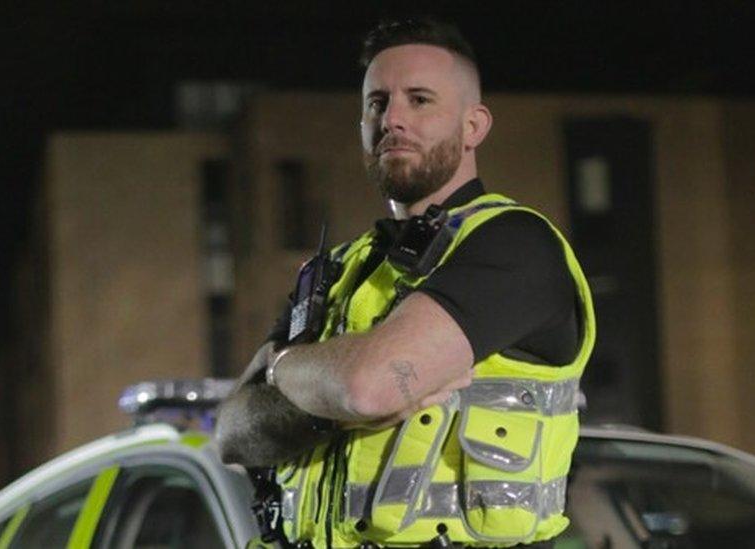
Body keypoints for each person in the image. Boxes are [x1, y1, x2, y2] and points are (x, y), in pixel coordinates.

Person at [217, 17, 595, 549]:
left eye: (419, 100)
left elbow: (368, 386)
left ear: (474, 126)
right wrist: (328, 396)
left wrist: (281, 371)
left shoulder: (513, 245)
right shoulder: (340, 267)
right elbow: (233, 432)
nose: (393, 118)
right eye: (377, 103)